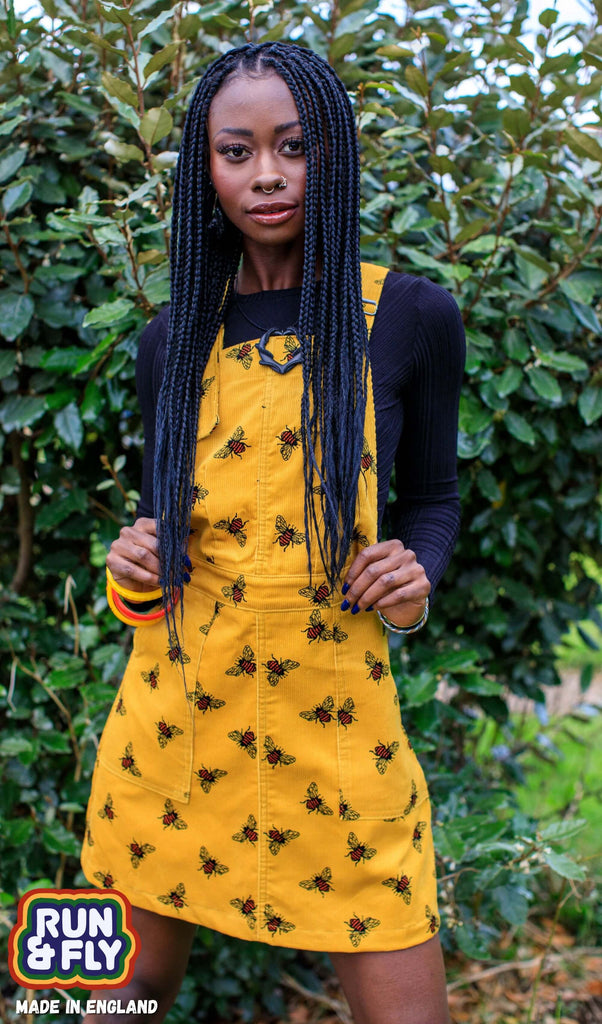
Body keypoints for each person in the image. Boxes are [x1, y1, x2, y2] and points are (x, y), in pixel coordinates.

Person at [82, 41, 464, 1024]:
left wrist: (413, 574)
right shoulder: (174, 338)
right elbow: (166, 543)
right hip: (174, 727)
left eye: (293, 148)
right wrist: (131, 573)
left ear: (329, 154)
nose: (265, 176)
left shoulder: (409, 316)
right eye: (236, 150)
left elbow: (429, 498)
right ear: (202, 168)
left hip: (337, 732)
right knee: (115, 1004)